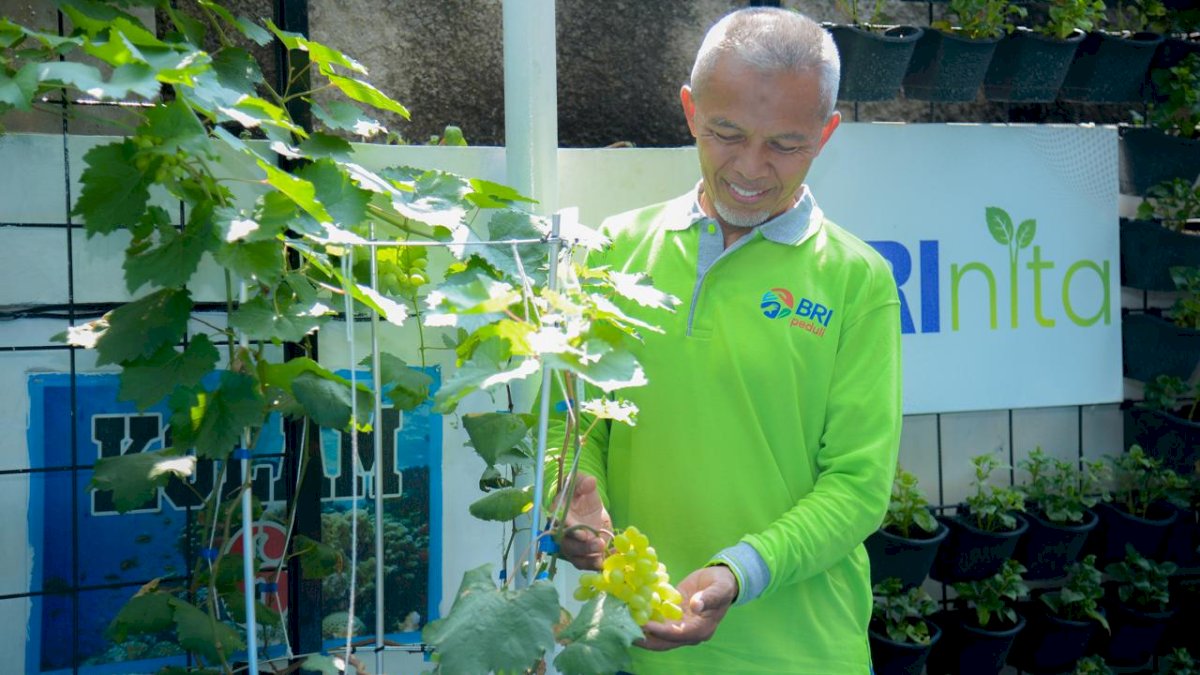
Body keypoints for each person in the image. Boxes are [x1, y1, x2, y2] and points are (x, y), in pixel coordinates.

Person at [547, 7, 902, 674]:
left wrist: (738, 571)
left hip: (801, 654)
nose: (750, 166)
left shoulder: (858, 281)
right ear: (689, 111)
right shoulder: (615, 249)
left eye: (785, 144)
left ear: (826, 134)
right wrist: (571, 488)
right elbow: (573, 422)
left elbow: (857, 487)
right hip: (632, 646)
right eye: (726, 133)